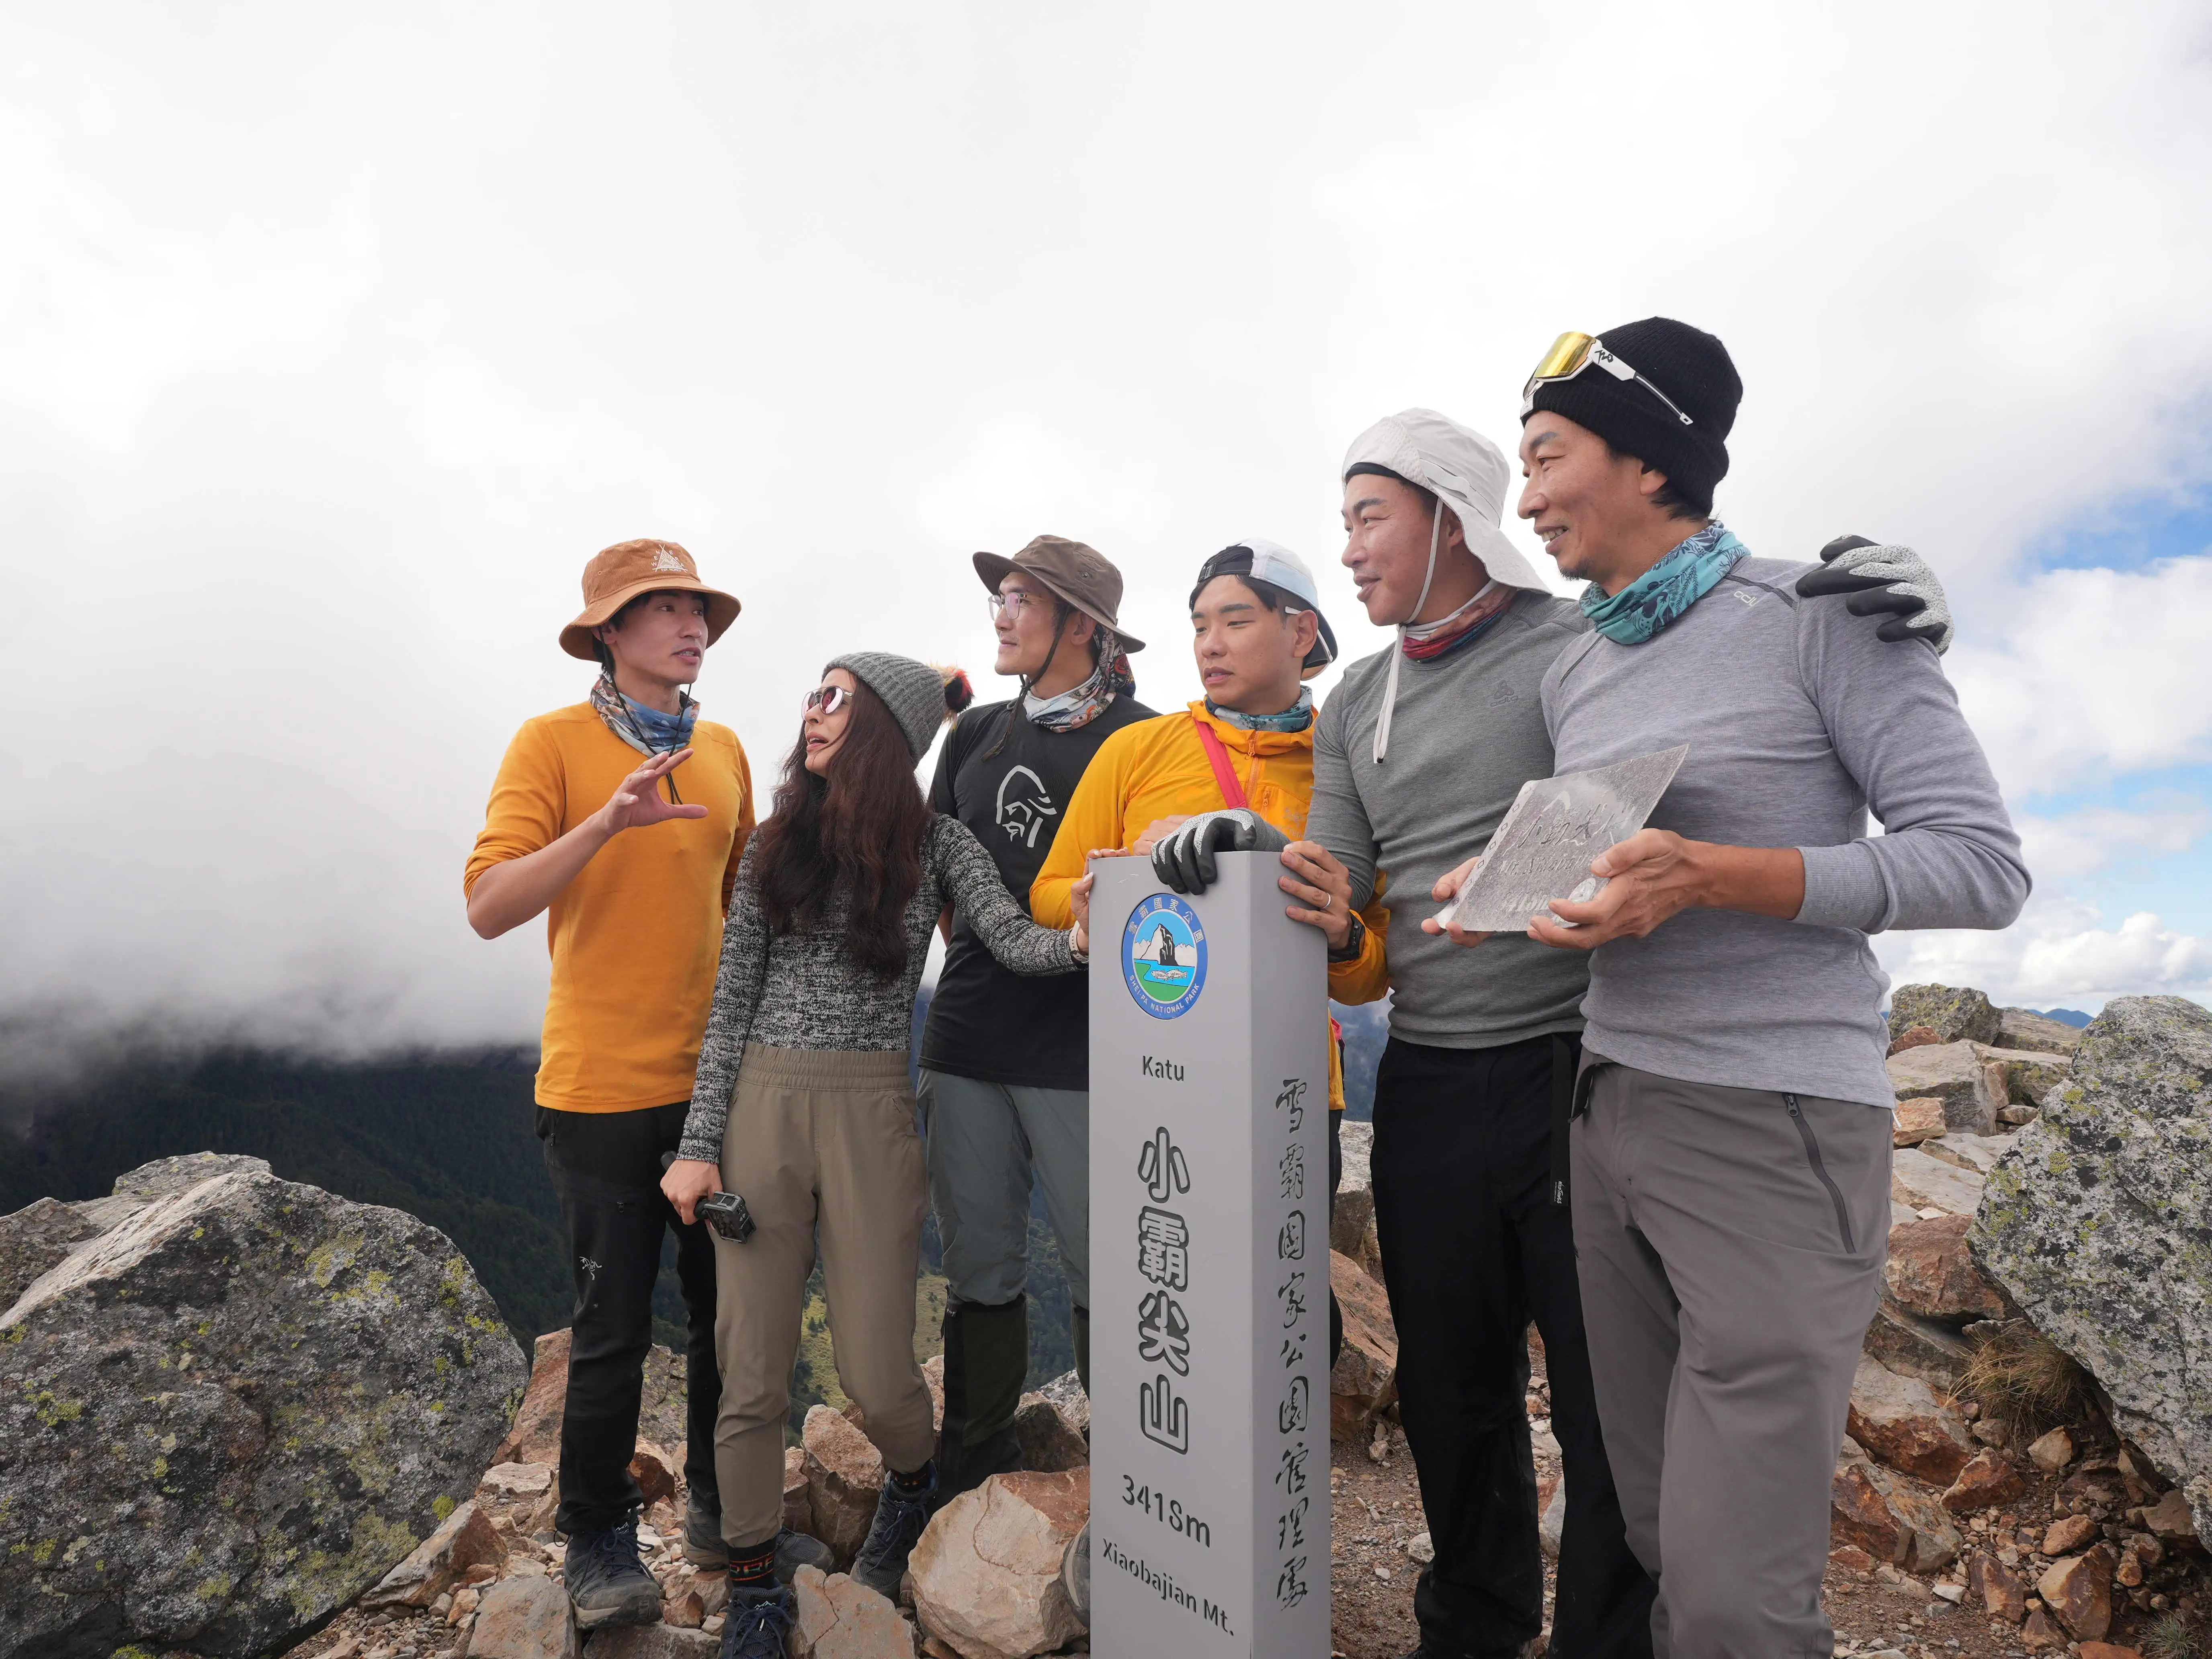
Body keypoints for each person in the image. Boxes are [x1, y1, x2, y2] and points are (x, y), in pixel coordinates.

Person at [1281, 406, 1963, 1659]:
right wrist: (1328, 925)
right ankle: (1473, 1630)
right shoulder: (1357, 699)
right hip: (1429, 1071)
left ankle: (1609, 1638)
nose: (1351, 550)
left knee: (1609, 1413)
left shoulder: (1576, 643)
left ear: (1450, 514)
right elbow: (1356, 915)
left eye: (1371, 516)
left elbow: (1719, 657)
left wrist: (1904, 607)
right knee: (1448, 1390)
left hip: (1579, 1066)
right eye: (1344, 524)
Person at [1428, 316, 2024, 1656]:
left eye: (1545, 456)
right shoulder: (1576, 666)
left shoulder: (1821, 616)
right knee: (1651, 1534)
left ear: (1649, 462)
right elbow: (1616, 848)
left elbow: (1979, 866)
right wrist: (1512, 880)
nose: (1523, 499)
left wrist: (1714, 875)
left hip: (1774, 1122)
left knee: (1732, 1600)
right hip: (1610, 1106)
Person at [659, 653, 1097, 1659]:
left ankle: (913, 1481)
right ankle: (756, 1583)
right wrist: (698, 1146)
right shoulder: (773, 844)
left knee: (877, 1373)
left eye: (835, 702)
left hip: (871, 1114)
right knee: (751, 1369)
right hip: (760, 1110)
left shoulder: (937, 844)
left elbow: (1008, 939)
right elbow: (730, 1007)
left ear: (885, 735)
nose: (810, 717)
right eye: (811, 695)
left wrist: (1081, 935)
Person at [465, 539, 807, 1630]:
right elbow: (487, 903)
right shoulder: (551, 744)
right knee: (610, 1328)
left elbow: (750, 916)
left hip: (715, 1088)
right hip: (600, 1087)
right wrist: (604, 823)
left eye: (696, 605)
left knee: (726, 1319)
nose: (688, 623)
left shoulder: (727, 751)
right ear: (607, 634)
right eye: (657, 608)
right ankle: (598, 1536)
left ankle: (718, 1507)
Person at [916, 535, 1155, 1502]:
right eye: (999, 598)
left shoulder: (1142, 737)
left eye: (1023, 599)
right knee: (979, 1260)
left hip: (1089, 1046)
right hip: (969, 1033)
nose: (1002, 614)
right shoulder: (973, 737)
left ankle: (1139, 1479)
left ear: (1082, 626)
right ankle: (972, 1463)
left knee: (1109, 1264)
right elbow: (941, 877)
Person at [1031, 542, 1388, 1133]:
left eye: (1236, 622)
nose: (1210, 644)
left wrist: (1342, 935)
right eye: (1200, 627)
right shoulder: (1137, 749)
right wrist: (1111, 893)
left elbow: (1371, 975)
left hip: (1291, 1089)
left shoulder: (1348, 769)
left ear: (1301, 634)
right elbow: (1049, 893)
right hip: (1152, 1073)